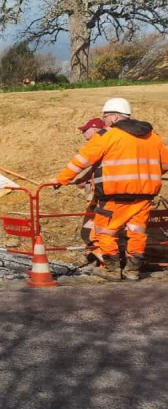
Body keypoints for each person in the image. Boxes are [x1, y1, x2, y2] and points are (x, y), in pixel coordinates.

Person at [53, 98, 168, 281]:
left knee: (104, 231)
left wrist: (61, 179)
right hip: (144, 196)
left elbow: (82, 160)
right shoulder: (153, 136)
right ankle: (132, 271)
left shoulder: (107, 135)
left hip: (115, 196)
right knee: (137, 233)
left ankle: (111, 269)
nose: (104, 120)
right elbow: (164, 164)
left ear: (114, 117)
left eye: (105, 116)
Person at [73, 117, 108, 270]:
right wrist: (85, 178)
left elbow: (82, 164)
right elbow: (96, 167)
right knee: (94, 233)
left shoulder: (99, 144)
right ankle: (106, 261)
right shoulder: (106, 146)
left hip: (103, 198)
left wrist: (61, 180)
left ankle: (109, 263)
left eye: (85, 130)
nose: (83, 133)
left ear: (94, 130)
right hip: (100, 197)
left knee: (88, 233)